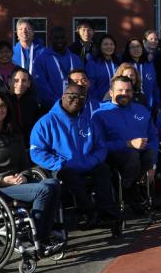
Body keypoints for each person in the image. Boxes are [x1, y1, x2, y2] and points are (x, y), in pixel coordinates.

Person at [0, 90, 62, 253]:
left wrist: (24, 175)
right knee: (42, 190)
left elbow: (25, 166)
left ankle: (46, 231)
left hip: (16, 185)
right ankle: (37, 237)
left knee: (54, 183)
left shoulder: (14, 135)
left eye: (2, 106)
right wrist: (2, 181)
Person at [30, 81, 122, 236]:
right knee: (68, 174)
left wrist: (93, 160)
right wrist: (60, 163)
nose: (77, 99)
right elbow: (36, 152)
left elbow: (101, 147)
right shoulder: (46, 122)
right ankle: (88, 212)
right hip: (62, 167)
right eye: (72, 95)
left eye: (81, 96)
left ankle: (108, 213)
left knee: (103, 169)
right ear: (63, 96)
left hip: (87, 164)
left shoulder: (88, 121)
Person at [93, 75, 159, 207]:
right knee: (132, 155)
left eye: (128, 91)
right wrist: (128, 143)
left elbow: (153, 137)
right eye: (120, 90)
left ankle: (133, 185)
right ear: (111, 92)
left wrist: (153, 165)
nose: (124, 94)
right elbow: (99, 145)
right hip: (115, 155)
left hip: (141, 154)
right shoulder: (99, 114)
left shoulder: (142, 110)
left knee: (150, 153)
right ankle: (127, 188)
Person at [36, 26, 85, 110]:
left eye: (62, 38)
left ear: (67, 39)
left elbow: (83, 82)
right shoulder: (41, 58)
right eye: (56, 38)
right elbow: (41, 84)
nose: (60, 41)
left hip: (75, 105)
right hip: (51, 107)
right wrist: (59, 102)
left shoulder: (75, 59)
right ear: (50, 40)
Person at [124, 37, 161, 111]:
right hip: (131, 105)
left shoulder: (149, 64)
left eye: (138, 46)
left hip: (150, 105)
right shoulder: (125, 66)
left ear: (142, 48)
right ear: (128, 50)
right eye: (132, 47)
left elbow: (154, 85)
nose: (136, 49)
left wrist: (158, 102)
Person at [6, 68, 42, 142]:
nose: (20, 84)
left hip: (28, 142)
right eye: (16, 80)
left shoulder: (33, 103)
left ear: (29, 84)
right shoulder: (3, 101)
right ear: (9, 82)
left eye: (24, 81)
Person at [86, 34, 121, 100]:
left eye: (111, 44)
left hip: (118, 101)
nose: (109, 47)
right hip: (100, 102)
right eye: (105, 44)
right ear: (100, 46)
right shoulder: (92, 63)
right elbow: (90, 87)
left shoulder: (118, 62)